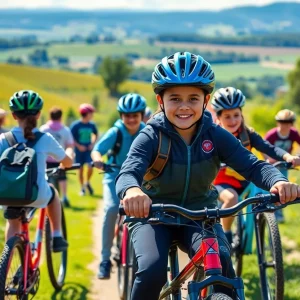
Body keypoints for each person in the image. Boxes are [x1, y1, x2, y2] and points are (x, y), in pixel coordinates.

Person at [115, 52, 300, 300]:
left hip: (202, 215)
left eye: (193, 98)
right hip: (153, 216)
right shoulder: (151, 136)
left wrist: (278, 181)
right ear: (160, 100)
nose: (184, 106)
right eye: (175, 98)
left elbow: (253, 165)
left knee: (222, 267)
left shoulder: (215, 134)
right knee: (151, 270)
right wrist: (133, 192)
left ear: (206, 100)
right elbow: (129, 171)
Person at [211, 87, 300, 239]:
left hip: (246, 180)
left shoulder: (247, 134)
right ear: (218, 118)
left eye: (236, 115)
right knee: (232, 199)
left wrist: (287, 157)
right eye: (227, 117)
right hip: (222, 182)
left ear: (241, 114)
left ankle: (264, 227)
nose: (233, 121)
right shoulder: (213, 136)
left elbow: (268, 148)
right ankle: (227, 234)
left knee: (266, 194)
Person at [0, 90, 72, 251]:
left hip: (6, 195)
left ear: (13, 115)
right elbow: (67, 162)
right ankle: (57, 236)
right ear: (39, 114)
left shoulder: (3, 139)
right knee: (53, 193)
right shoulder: (45, 138)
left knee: (13, 222)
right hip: (37, 196)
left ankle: (10, 262)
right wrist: (68, 158)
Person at [91, 93, 146, 279]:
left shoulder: (147, 132)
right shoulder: (116, 132)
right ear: (121, 116)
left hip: (139, 180)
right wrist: (98, 160)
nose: (131, 119)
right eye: (127, 115)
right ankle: (105, 260)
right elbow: (97, 150)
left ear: (141, 116)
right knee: (112, 208)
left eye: (135, 115)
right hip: (114, 177)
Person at [265, 109, 300, 222]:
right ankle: (269, 212)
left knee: (283, 190)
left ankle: (279, 214)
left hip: (284, 165)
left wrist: (297, 157)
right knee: (270, 189)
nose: (285, 125)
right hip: (272, 165)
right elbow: (263, 147)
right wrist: (267, 159)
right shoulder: (272, 134)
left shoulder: (294, 133)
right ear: (277, 122)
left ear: (291, 123)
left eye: (288, 123)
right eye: (282, 122)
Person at [40, 107, 74, 207]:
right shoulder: (65, 130)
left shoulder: (44, 129)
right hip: (61, 159)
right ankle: (64, 197)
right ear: (60, 117)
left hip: (46, 160)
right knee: (62, 178)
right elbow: (70, 145)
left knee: (46, 179)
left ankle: (45, 199)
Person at [70, 103, 98, 196]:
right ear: (85, 114)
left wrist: (92, 144)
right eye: (91, 113)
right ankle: (82, 188)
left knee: (90, 167)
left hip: (88, 150)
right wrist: (78, 146)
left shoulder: (92, 124)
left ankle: (87, 182)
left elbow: (95, 134)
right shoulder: (76, 125)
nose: (92, 115)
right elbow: (71, 138)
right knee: (80, 169)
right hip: (79, 151)